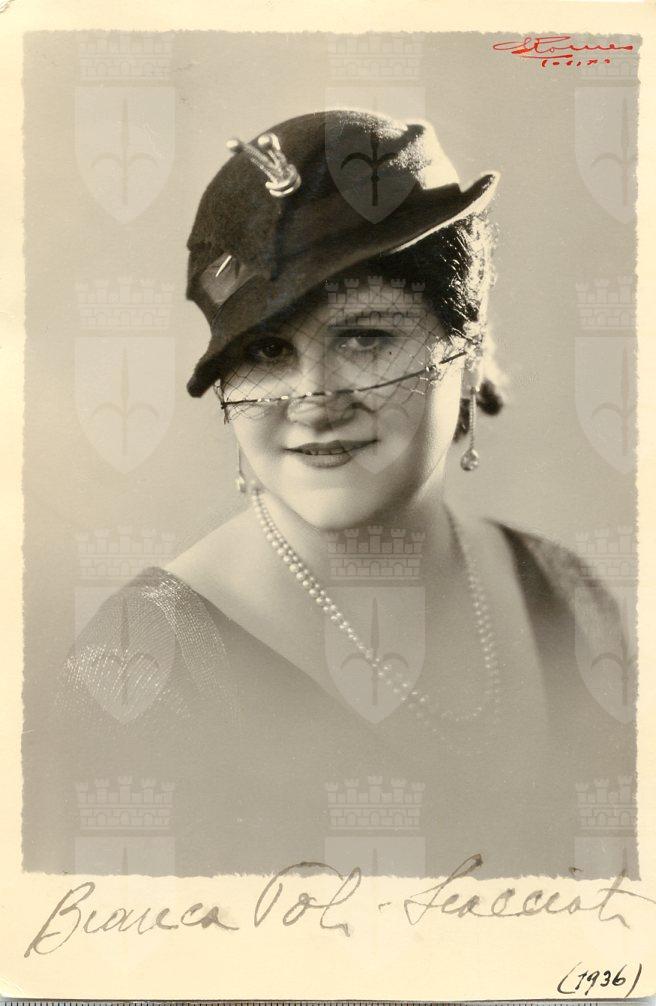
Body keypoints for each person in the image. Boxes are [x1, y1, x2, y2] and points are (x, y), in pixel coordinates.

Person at [26, 109, 636, 879]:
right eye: (266, 351)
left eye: (365, 337)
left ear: (468, 349)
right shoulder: (139, 669)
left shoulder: (570, 598)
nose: (315, 400)